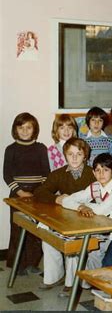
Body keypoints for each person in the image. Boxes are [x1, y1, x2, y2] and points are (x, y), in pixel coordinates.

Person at [34, 138, 95, 296]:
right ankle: (54, 275)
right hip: (66, 217)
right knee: (46, 230)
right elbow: (40, 192)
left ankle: (72, 282)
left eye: (79, 154)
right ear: (65, 156)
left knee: (72, 240)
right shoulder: (58, 174)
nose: (74, 158)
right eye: (70, 154)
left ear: (85, 156)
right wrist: (56, 198)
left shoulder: (93, 173)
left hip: (88, 219)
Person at [57, 154, 112, 289]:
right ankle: (75, 284)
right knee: (73, 244)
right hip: (100, 228)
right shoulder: (95, 186)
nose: (101, 174)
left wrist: (87, 206)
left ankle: (92, 283)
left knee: (93, 251)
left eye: (106, 170)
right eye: (98, 170)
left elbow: (102, 210)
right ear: (93, 172)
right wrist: (81, 206)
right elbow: (66, 200)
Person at [4, 113, 50, 276]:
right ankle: (17, 264)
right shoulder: (11, 149)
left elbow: (46, 173)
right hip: (18, 193)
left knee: (35, 230)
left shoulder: (41, 148)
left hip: (37, 193)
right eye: (21, 127)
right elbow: (6, 174)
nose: (24, 131)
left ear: (34, 129)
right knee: (17, 228)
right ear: (15, 129)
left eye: (28, 127)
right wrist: (21, 192)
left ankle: (32, 263)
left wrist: (38, 192)